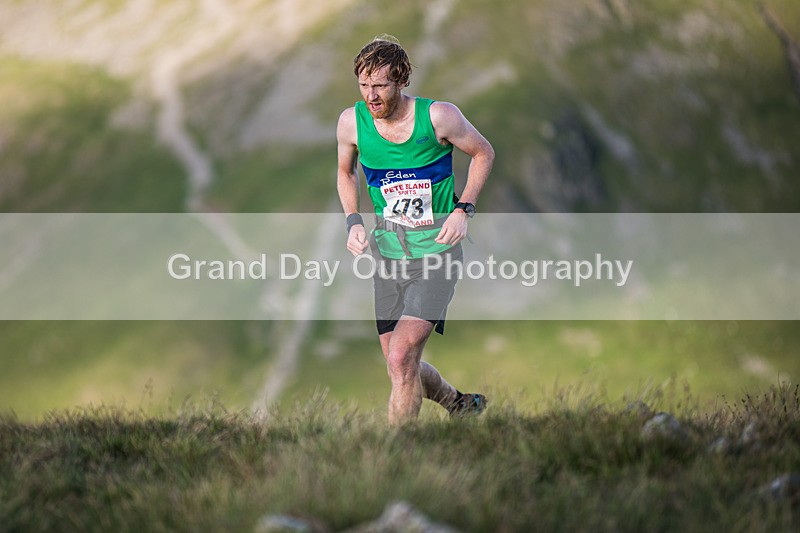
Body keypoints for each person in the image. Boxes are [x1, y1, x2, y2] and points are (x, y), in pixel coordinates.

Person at [336, 36, 495, 425]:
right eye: (364, 84)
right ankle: (459, 405)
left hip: (436, 254)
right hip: (387, 256)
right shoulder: (351, 122)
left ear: (401, 79)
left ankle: (398, 456)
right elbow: (345, 171)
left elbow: (483, 153)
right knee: (398, 364)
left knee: (402, 356)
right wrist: (354, 220)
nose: (371, 95)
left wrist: (463, 209)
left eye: (380, 85)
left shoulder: (438, 117)